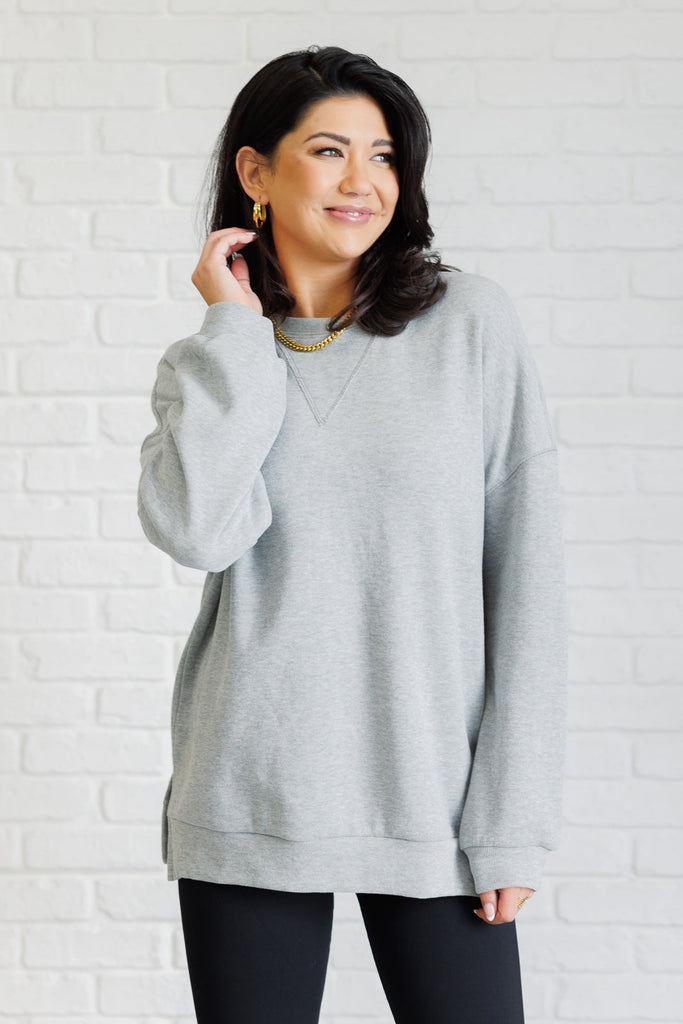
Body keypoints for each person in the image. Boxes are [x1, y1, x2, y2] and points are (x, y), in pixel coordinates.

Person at [137, 44, 568, 1024]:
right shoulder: (210, 362)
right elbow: (197, 531)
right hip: (246, 799)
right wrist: (235, 333)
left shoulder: (469, 326)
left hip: (434, 802)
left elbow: (527, 581)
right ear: (255, 173)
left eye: (382, 157)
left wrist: (511, 819)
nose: (361, 181)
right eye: (329, 151)